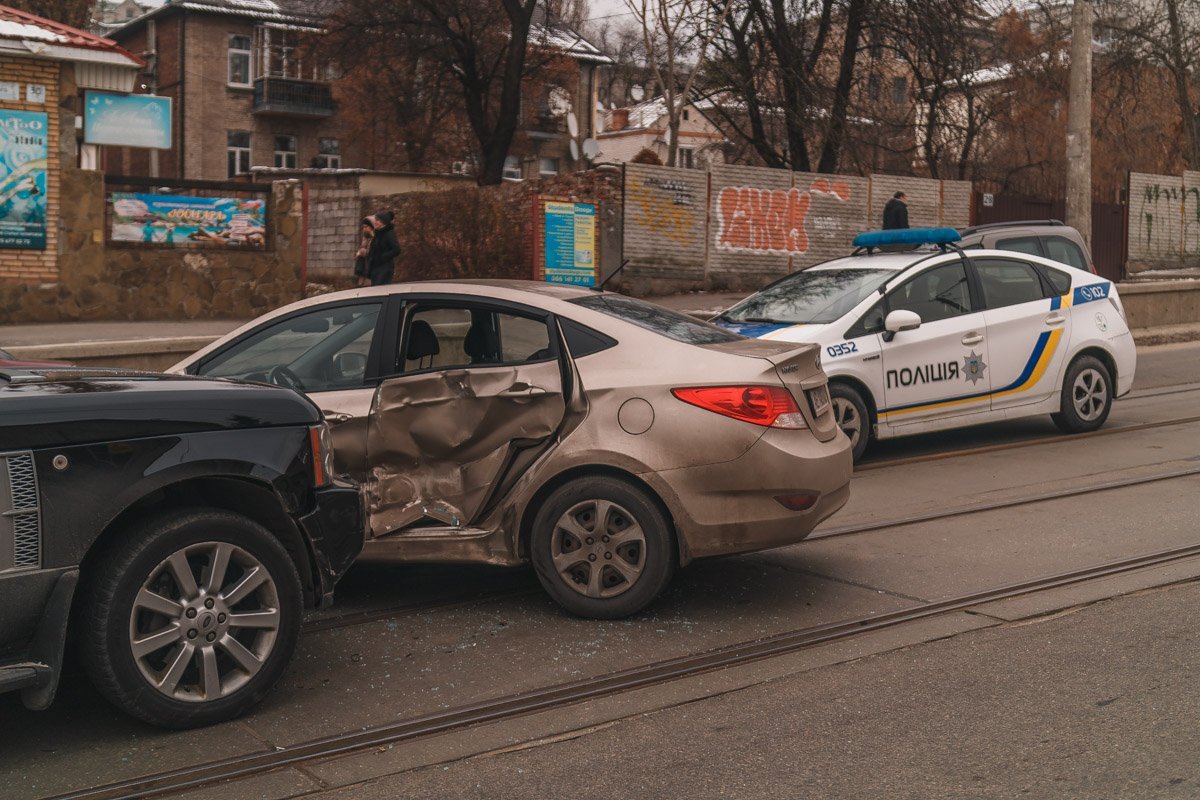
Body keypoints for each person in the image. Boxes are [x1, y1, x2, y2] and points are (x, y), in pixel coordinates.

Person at [365, 210, 400, 286]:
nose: (375, 222)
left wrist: (382, 257)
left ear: (384, 221)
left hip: (384, 269)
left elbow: (396, 249)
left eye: (378, 220)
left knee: (380, 291)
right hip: (376, 268)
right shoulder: (378, 233)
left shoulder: (389, 233)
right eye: (375, 220)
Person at [353, 217, 374, 287]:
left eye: (366, 227)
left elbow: (373, 252)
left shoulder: (374, 238)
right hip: (362, 269)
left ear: (371, 227)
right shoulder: (365, 237)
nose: (364, 229)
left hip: (370, 269)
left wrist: (362, 252)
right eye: (363, 227)